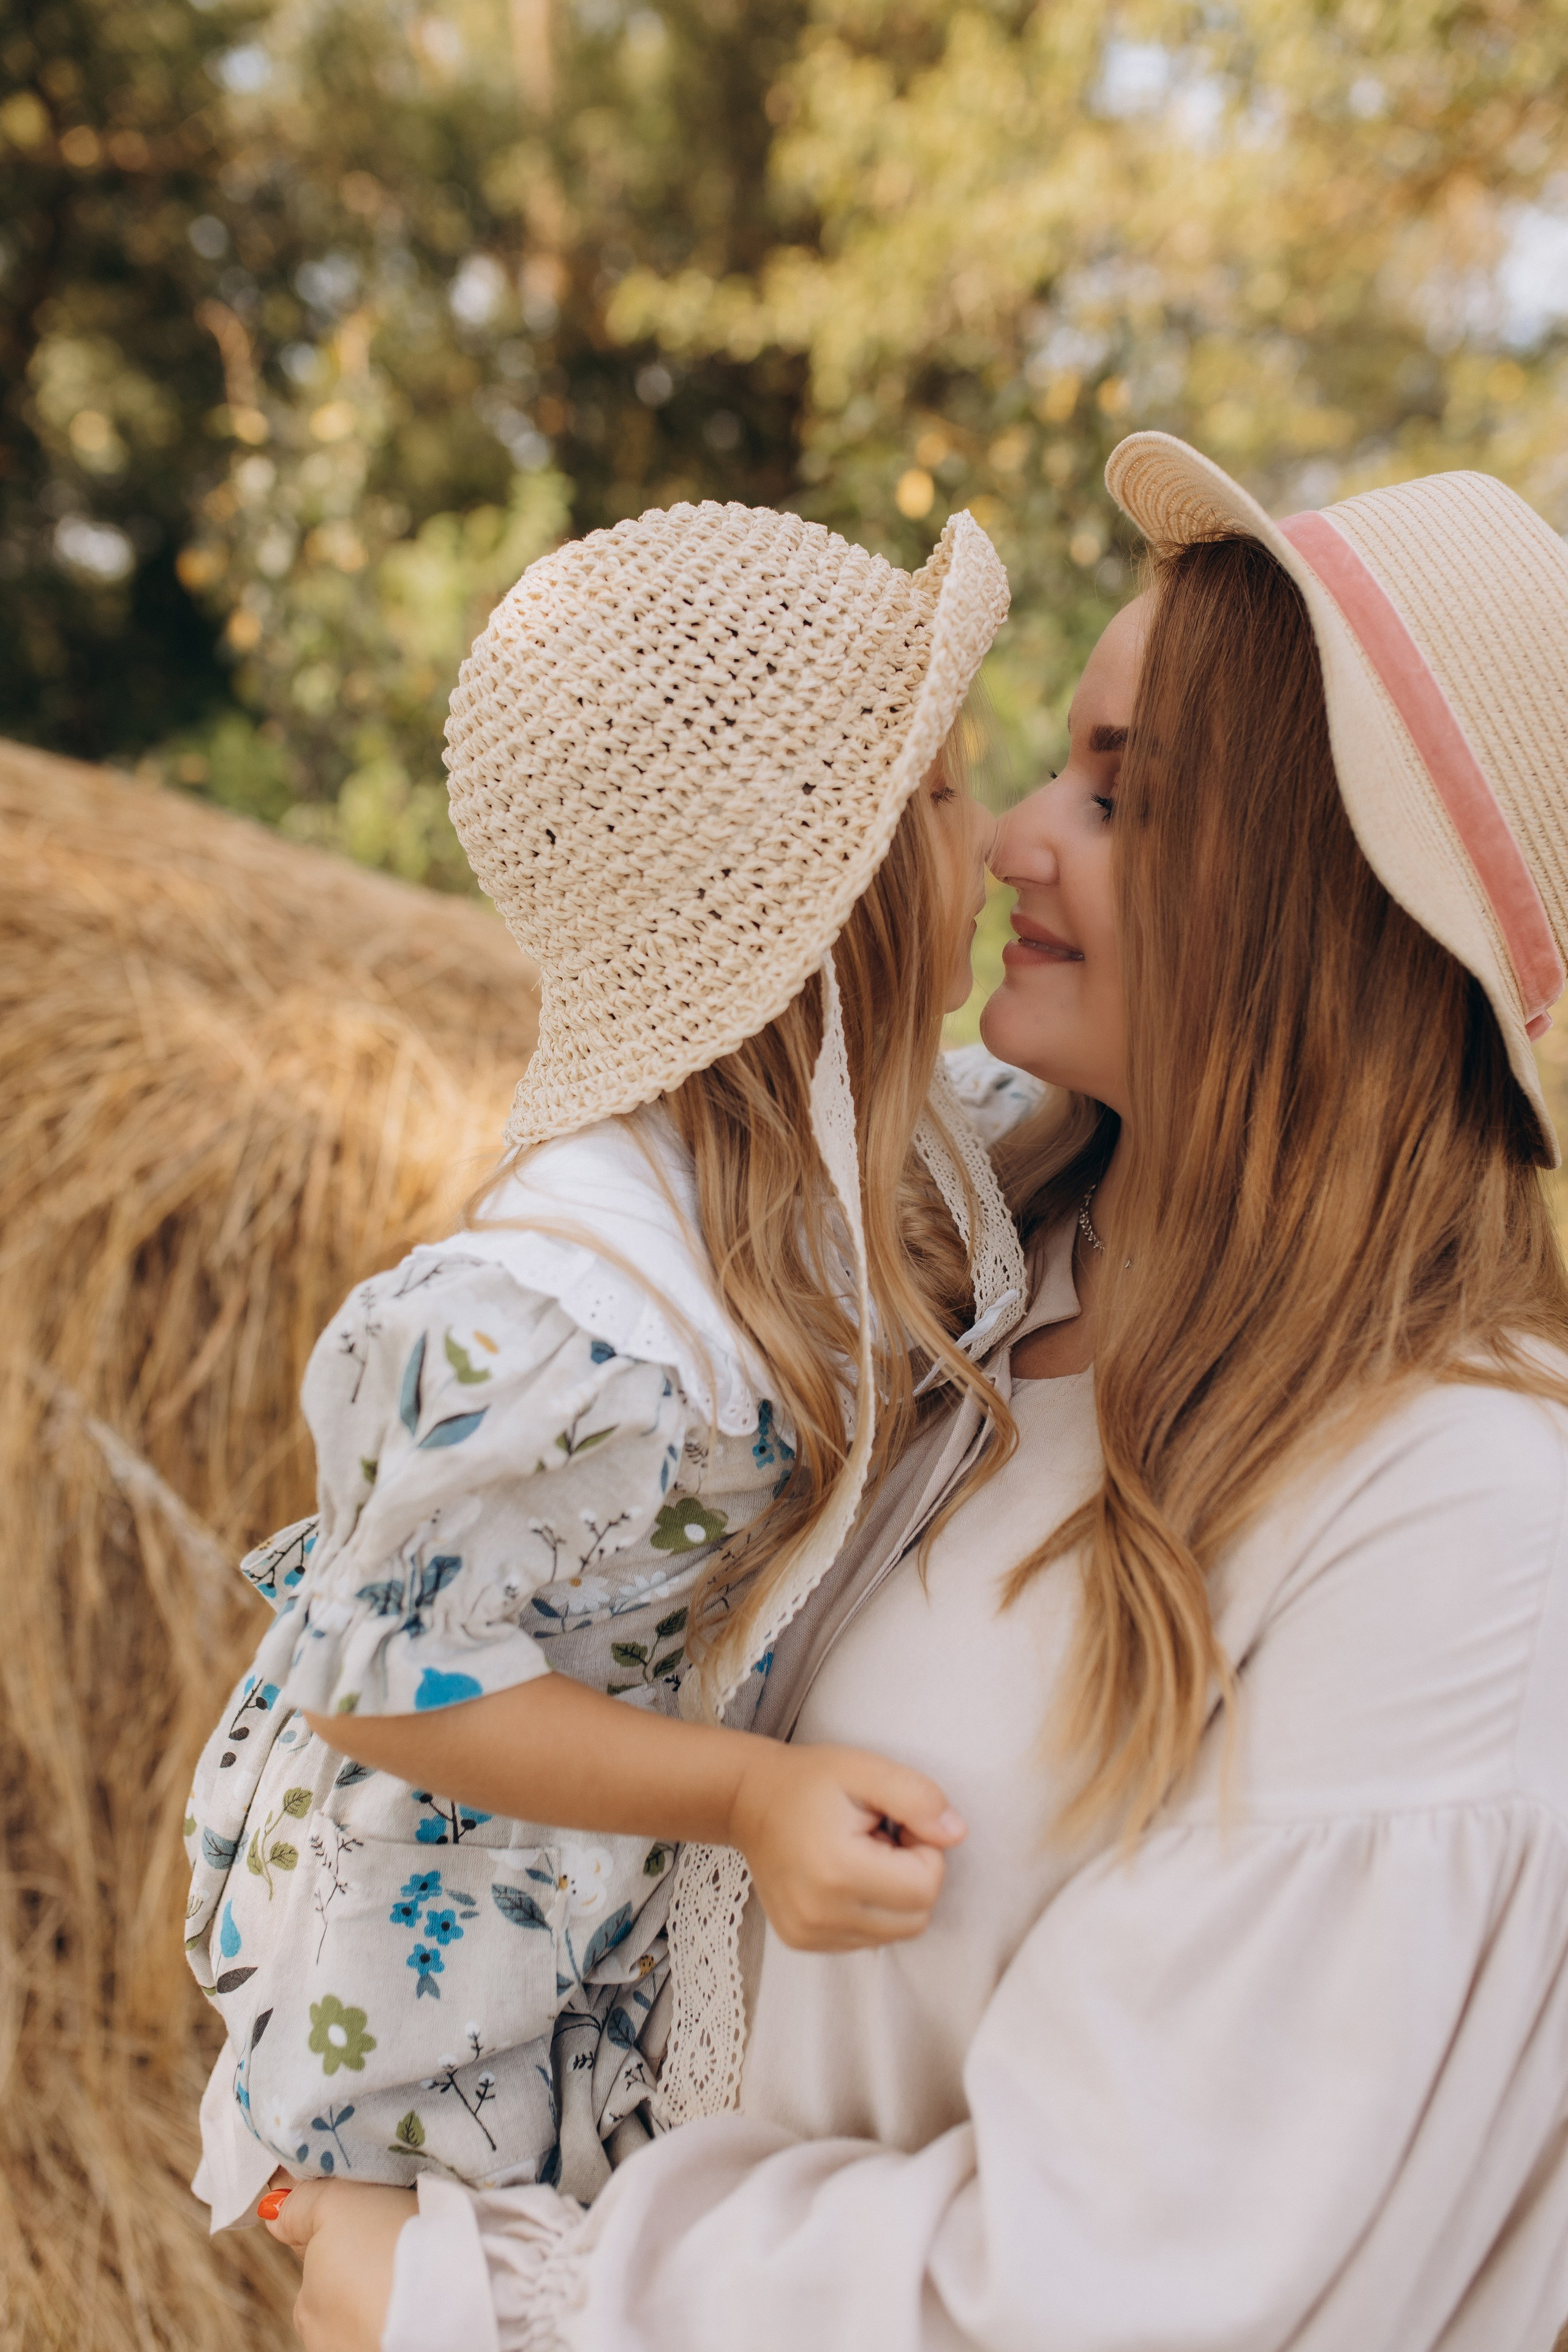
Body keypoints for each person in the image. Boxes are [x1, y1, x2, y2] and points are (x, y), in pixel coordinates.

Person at [266, 434, 1568, 2352]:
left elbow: (1118, 2283)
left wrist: (462, 2293)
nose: (1013, 839)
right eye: (1046, 765)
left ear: (1323, 913)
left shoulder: (1449, 1514)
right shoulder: (978, 1252)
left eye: (1123, 800)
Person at [182, 498, 1044, 2233]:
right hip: (435, 1983)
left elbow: (1094, 1117)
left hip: (593, 1923)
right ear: (828, 900)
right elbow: (381, 1683)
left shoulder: (871, 1161)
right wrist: (747, 1793)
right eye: (945, 799)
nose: (1007, 836)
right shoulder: (558, 1309)